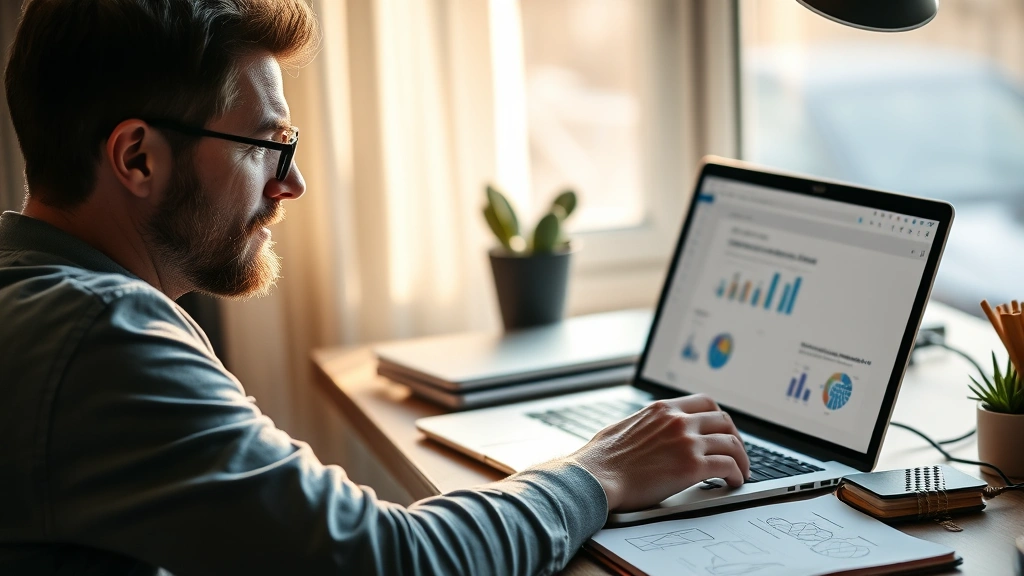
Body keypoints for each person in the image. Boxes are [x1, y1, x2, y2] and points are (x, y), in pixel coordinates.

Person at [0, 1, 750, 574]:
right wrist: (600, 471)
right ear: (137, 159)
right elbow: (391, 560)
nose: (291, 182)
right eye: (266, 146)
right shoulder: (101, 334)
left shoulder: (39, 296)